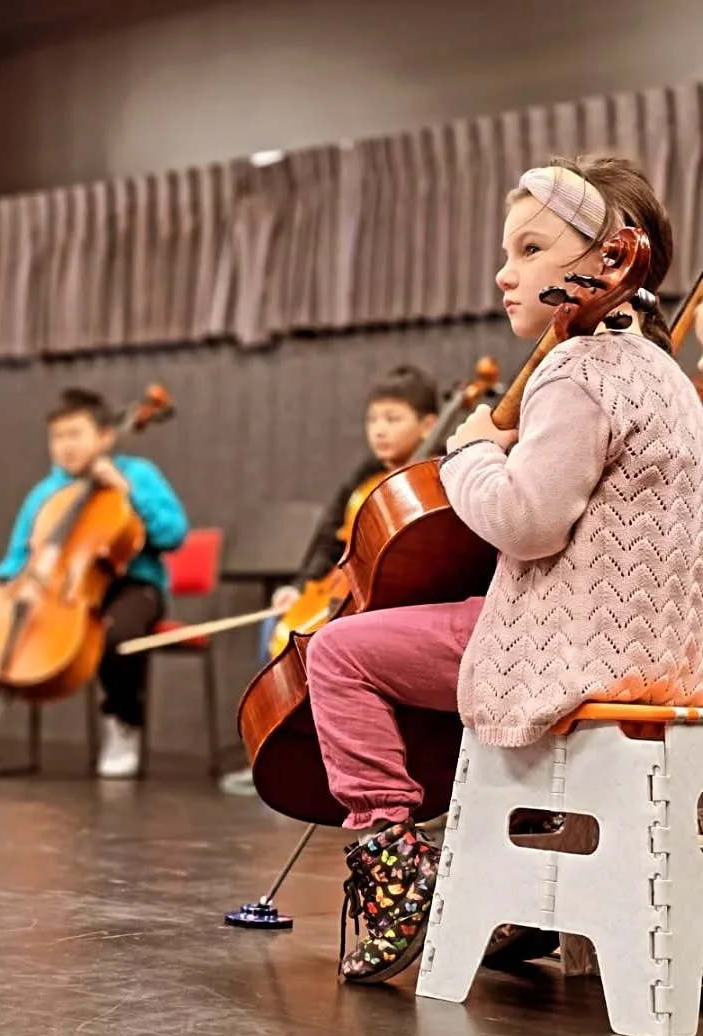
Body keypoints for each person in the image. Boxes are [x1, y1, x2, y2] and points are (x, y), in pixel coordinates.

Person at [305, 154, 703, 985]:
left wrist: (473, 453)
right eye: (507, 251)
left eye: (530, 249)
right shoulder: (663, 374)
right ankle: (527, 890)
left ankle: (397, 870)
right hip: (659, 658)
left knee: (338, 652)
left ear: (608, 258)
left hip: (570, 654)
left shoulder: (579, 370)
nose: (504, 273)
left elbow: (526, 523)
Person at [0, 387, 188, 779]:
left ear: (106, 436)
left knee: (119, 634)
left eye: (75, 434)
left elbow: (173, 533)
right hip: (60, 587)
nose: (65, 446)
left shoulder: (138, 474)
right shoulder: (45, 492)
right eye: (57, 437)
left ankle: (122, 722)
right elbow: (20, 557)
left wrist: (127, 491)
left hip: (132, 584)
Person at [258, 366, 439, 665]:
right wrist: (300, 586)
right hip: (347, 592)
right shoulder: (366, 474)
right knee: (276, 628)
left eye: (392, 419)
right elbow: (330, 539)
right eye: (372, 419)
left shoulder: (436, 479)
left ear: (428, 425)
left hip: (407, 600)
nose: (379, 430)